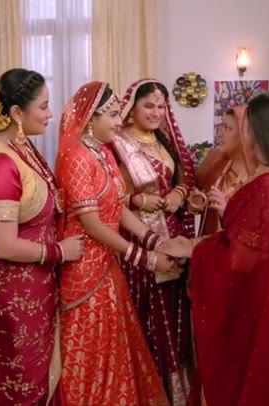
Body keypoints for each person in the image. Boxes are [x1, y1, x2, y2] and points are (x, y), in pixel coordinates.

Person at [165, 90, 269, 406]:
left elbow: (239, 260)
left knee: (242, 383)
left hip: (252, 308)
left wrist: (195, 250)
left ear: (261, 131)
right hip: (267, 301)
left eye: (243, 126)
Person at [54, 81, 178, 406]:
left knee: (114, 343)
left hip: (107, 263)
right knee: (92, 349)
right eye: (111, 115)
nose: (118, 121)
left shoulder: (104, 152)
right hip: (83, 270)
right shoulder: (77, 157)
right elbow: (92, 223)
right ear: (90, 118)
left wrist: (153, 240)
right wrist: (146, 258)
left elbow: (117, 206)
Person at [0, 68, 84, 406]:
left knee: (39, 373)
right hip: (7, 291)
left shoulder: (18, 146)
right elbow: (2, 244)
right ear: (17, 113)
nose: (50, 114)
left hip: (29, 281)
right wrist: (59, 252)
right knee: (20, 383)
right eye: (43, 107)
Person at [109, 79, 196, 403]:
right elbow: (107, 197)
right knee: (146, 310)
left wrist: (179, 194)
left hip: (171, 235)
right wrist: (137, 201)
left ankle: (173, 389)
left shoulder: (164, 140)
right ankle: (145, 389)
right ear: (131, 110)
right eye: (149, 105)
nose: (157, 112)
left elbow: (184, 177)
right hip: (136, 239)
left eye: (161, 106)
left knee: (172, 312)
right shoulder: (117, 143)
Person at [188, 105, 254, 236]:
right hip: (209, 242)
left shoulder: (258, 173)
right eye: (221, 127)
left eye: (228, 128)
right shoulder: (215, 161)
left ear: (245, 133)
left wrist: (227, 212)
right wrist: (199, 202)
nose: (219, 134)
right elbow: (199, 199)